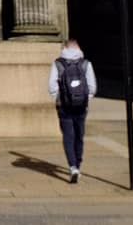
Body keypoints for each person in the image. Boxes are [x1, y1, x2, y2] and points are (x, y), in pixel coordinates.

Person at [47, 38, 96, 184]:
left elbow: (51, 86)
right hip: (81, 106)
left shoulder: (58, 64)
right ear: (78, 48)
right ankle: (78, 164)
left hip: (64, 106)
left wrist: (59, 99)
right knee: (79, 135)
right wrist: (86, 99)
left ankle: (72, 166)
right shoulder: (86, 64)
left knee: (68, 136)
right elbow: (92, 86)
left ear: (65, 48)